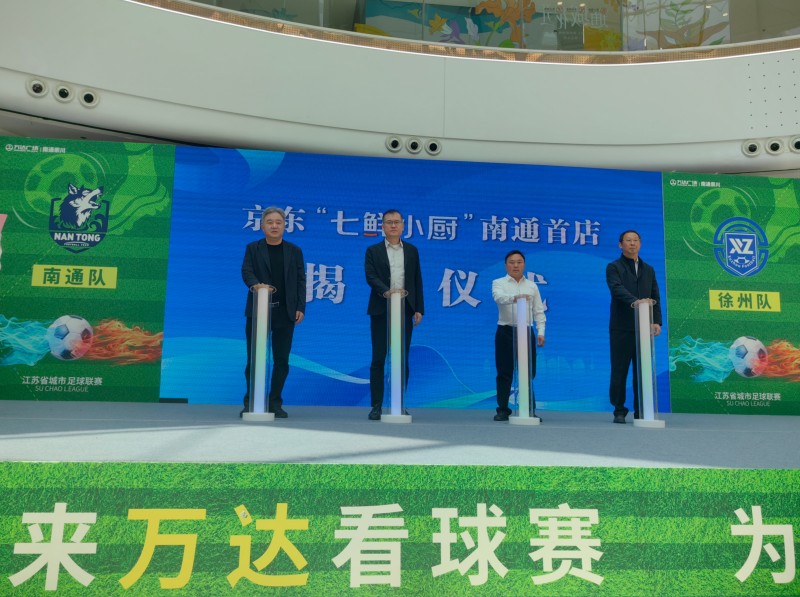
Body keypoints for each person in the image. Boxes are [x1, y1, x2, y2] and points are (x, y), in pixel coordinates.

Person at [241, 207, 306, 418]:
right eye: (270, 222)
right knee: (254, 359)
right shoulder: (253, 248)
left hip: (285, 312)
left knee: (281, 360)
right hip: (258, 312)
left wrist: (300, 307)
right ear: (262, 226)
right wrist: (256, 286)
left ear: (285, 225)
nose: (274, 226)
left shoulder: (294, 251)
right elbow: (247, 271)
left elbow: (301, 281)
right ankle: (251, 401)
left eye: (278, 222)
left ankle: (275, 402)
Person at [364, 209, 424, 420]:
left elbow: (416, 279)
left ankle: (399, 403)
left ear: (403, 226)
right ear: (382, 226)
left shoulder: (412, 250)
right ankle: (376, 406)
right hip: (381, 309)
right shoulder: (373, 250)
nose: (393, 225)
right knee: (378, 358)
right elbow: (370, 276)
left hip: (404, 310)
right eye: (389, 222)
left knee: (402, 358)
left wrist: (419, 308)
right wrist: (386, 291)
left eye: (397, 222)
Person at [606, 230, 662, 424]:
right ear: (620, 245)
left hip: (644, 328)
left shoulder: (649, 269)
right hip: (621, 327)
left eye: (636, 240)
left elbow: (655, 296)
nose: (632, 243)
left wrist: (656, 321)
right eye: (628, 240)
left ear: (640, 243)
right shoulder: (614, 267)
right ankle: (619, 410)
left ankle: (642, 409)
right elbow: (616, 289)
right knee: (619, 370)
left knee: (643, 371)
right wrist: (636, 302)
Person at [492, 250, 546, 422]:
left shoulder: (532, 286)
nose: (515, 265)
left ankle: (529, 409)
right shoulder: (498, 283)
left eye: (519, 262)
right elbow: (499, 298)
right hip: (505, 331)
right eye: (512, 262)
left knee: (528, 372)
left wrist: (541, 332)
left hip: (526, 331)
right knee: (504, 371)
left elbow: (538, 310)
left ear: (524, 264)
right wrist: (516, 298)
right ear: (506, 265)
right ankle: (503, 409)